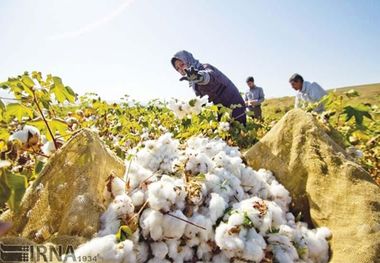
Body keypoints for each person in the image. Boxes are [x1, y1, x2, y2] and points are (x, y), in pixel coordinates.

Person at [171, 50, 246, 124]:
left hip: (233, 106)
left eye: (182, 65)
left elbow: (209, 76)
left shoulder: (204, 68)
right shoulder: (193, 81)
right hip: (221, 110)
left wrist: (199, 77)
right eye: (177, 68)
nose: (180, 69)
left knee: (237, 132)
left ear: (188, 60)